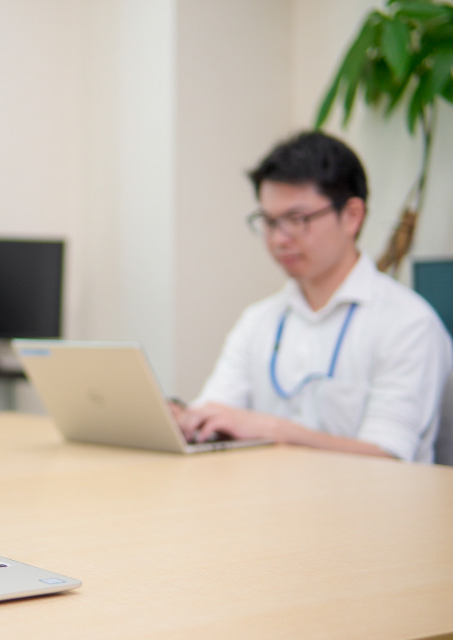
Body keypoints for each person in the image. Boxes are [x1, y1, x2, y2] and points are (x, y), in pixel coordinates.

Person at [176, 131, 452, 463]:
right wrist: (187, 420)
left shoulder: (408, 323)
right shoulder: (258, 320)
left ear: (351, 216)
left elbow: (388, 456)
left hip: (369, 497)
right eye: (269, 222)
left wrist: (276, 431)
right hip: (266, 494)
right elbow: (218, 412)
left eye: (297, 219)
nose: (279, 239)